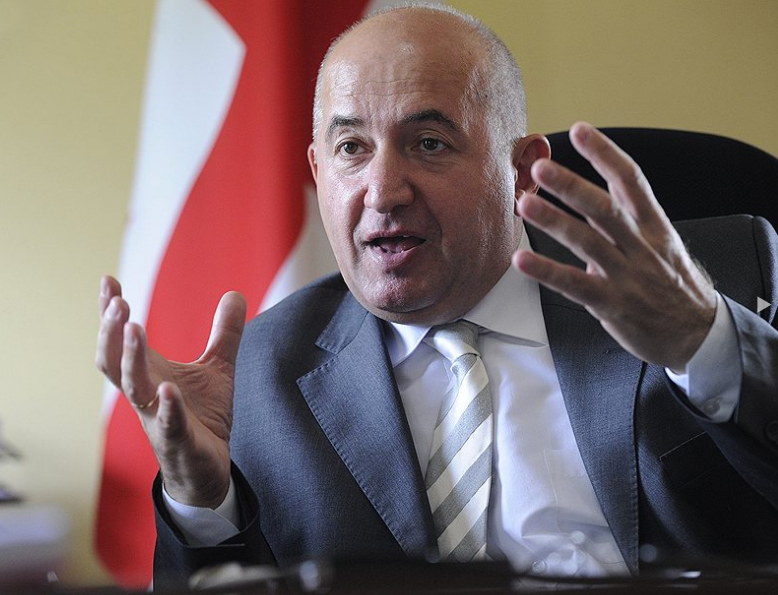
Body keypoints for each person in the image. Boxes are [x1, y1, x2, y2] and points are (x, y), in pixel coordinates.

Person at [95, 4, 778, 588]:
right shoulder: (268, 369)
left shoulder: (693, 287)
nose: (384, 192)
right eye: (352, 148)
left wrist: (707, 343)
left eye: (428, 143)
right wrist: (202, 499)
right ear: (317, 171)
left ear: (520, 171)